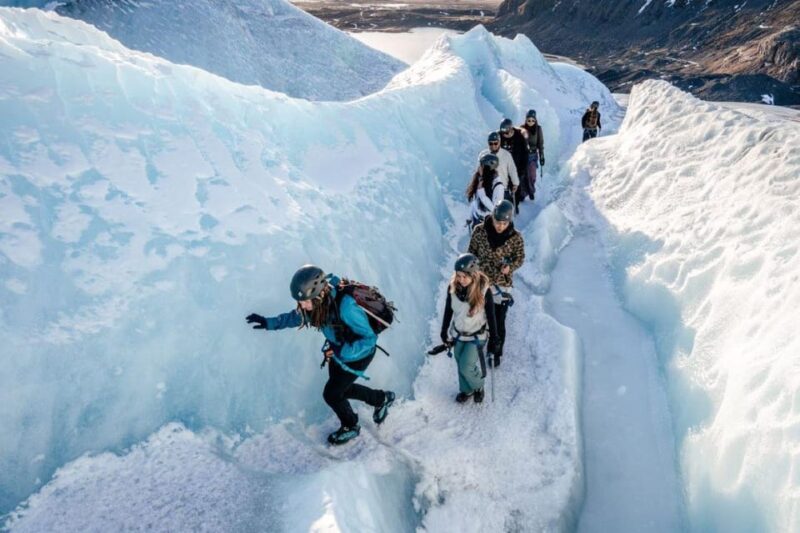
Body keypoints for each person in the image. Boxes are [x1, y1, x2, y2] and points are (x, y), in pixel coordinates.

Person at [246, 265, 395, 445]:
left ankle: (351, 426)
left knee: (332, 394)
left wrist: (342, 351)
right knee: (341, 390)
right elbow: (296, 317)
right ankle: (382, 399)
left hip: (357, 356)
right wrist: (268, 322)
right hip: (338, 353)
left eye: (305, 301)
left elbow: (369, 339)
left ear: (320, 294)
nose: (302, 306)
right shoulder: (317, 304)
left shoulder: (346, 307)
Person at [467, 200, 524, 368]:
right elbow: (471, 253)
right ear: (492, 218)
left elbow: (520, 258)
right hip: (481, 281)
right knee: (479, 315)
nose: (500, 226)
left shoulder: (515, 238)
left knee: (499, 319)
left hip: (501, 283)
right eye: (497, 222)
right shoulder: (479, 231)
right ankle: (475, 345)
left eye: (504, 223)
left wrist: (510, 267)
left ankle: (495, 350)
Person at [436, 253, 498, 403]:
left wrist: (495, 339)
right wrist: (444, 330)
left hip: (477, 336)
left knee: (466, 365)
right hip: (458, 334)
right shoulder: (452, 288)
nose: (461, 280)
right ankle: (467, 390)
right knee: (459, 362)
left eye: (465, 276)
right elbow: (448, 310)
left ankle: (479, 386)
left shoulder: (484, 291)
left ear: (474, 275)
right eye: (458, 276)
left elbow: (491, 315)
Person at [466, 153, 505, 229]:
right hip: (476, 219)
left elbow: (495, 209)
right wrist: (470, 217)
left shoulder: (498, 186)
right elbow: (476, 201)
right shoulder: (482, 180)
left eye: (481, 165)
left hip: (487, 224)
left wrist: (481, 192)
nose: (479, 167)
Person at [499, 118, 530, 211]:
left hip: (517, 168)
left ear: (511, 130)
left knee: (516, 188)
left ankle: (515, 206)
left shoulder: (519, 137)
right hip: (504, 168)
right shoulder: (499, 136)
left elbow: (525, 154)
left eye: (507, 133)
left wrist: (522, 170)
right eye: (504, 134)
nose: (505, 135)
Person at [478, 131, 518, 196]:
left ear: (499, 142)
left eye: (496, 143)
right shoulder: (483, 154)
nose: (493, 146)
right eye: (491, 143)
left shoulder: (506, 154)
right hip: (487, 188)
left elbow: (512, 169)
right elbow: (478, 170)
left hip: (502, 188)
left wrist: (515, 183)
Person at [520, 109, 544, 201]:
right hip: (523, 156)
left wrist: (542, 156)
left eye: (533, 120)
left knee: (532, 175)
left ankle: (531, 191)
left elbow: (540, 144)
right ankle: (523, 193)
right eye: (529, 120)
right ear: (526, 120)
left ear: (535, 120)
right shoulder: (521, 128)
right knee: (523, 176)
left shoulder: (538, 129)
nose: (531, 122)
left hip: (533, 155)